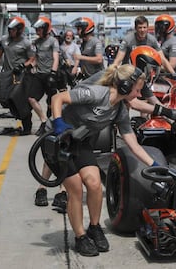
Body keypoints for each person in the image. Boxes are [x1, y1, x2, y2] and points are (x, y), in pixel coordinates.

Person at [50, 64, 161, 256]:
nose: (138, 95)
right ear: (125, 87)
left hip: (79, 141)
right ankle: (80, 237)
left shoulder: (120, 111)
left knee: (94, 184)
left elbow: (134, 145)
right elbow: (57, 98)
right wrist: (59, 124)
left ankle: (94, 227)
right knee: (76, 188)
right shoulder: (96, 93)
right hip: (57, 141)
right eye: (136, 90)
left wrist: (156, 166)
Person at [0, 16, 35, 135]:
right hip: (7, 75)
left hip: (21, 76)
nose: (11, 31)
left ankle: (27, 127)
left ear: (20, 29)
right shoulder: (4, 40)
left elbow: (32, 59)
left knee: (19, 100)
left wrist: (23, 65)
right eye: (10, 29)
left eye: (13, 29)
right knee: (5, 99)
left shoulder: (26, 43)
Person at [30, 16, 60, 136]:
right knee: (31, 98)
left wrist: (53, 73)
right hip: (39, 75)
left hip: (50, 74)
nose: (37, 31)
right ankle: (43, 121)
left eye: (39, 29)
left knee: (52, 102)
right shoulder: (36, 42)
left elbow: (56, 58)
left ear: (46, 28)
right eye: (36, 29)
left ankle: (52, 124)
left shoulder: (53, 41)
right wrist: (30, 66)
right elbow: (35, 59)